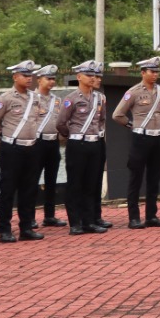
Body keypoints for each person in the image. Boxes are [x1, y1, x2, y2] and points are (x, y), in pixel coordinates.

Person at [0, 61, 47, 242]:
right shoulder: (4, 99)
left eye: (30, 76)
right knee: (8, 188)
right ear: (15, 77)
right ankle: (5, 229)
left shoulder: (35, 98)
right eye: (25, 75)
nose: (29, 79)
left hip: (32, 147)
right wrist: (7, 139)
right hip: (12, 148)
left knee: (29, 189)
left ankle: (26, 227)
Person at [111, 56, 160, 229]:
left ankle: (151, 215)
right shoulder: (134, 91)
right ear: (143, 73)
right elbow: (117, 114)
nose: (155, 75)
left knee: (154, 178)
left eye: (157, 72)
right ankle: (134, 217)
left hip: (157, 137)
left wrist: (154, 125)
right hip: (140, 138)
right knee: (136, 178)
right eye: (152, 72)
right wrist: (132, 125)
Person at [58, 60, 110, 234]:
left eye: (94, 75)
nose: (92, 78)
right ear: (79, 77)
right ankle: (75, 223)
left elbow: (101, 120)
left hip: (94, 143)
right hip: (77, 144)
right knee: (75, 184)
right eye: (88, 75)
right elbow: (61, 123)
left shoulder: (100, 98)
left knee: (91, 183)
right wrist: (73, 135)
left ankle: (89, 221)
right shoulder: (71, 99)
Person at [31, 65, 63, 227]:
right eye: (48, 79)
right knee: (32, 180)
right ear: (39, 80)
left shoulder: (56, 100)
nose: (51, 82)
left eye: (53, 79)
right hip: (37, 142)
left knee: (51, 181)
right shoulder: (32, 98)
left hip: (53, 142)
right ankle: (29, 217)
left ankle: (49, 215)